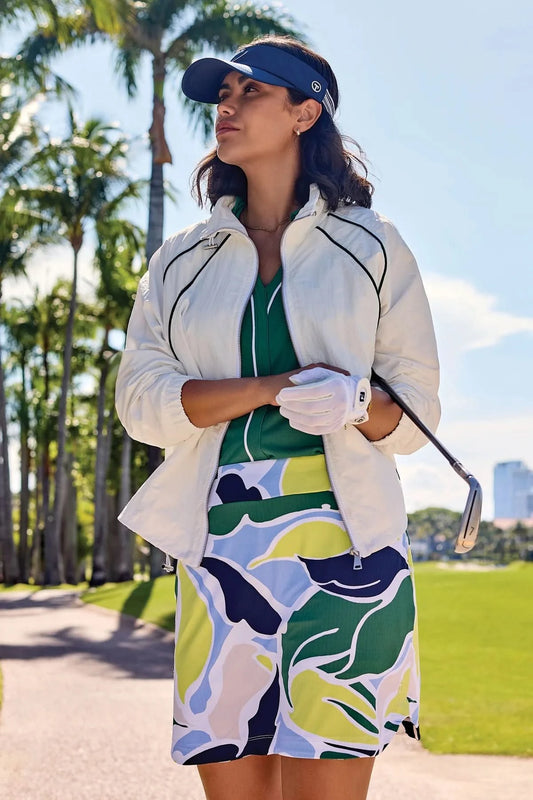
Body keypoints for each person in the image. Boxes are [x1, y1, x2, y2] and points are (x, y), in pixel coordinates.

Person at [115, 35, 440, 800]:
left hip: (352, 555)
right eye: (221, 95)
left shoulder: (372, 247)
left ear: (304, 113)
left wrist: (355, 404)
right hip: (220, 553)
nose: (226, 107)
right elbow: (143, 403)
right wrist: (272, 386)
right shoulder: (180, 262)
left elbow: (417, 421)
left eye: (249, 93)